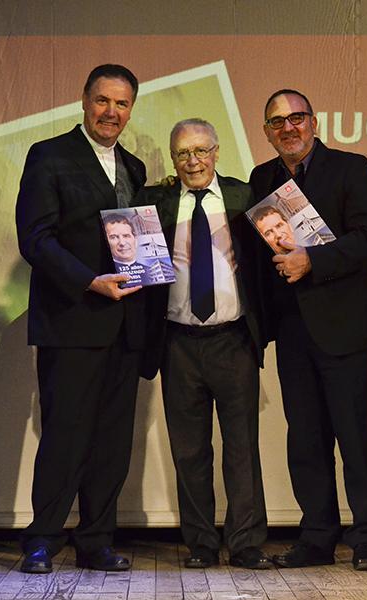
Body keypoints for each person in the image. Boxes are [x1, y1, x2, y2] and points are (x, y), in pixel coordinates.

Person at [249, 89, 367, 571]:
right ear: (267, 132)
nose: (288, 128)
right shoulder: (262, 179)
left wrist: (312, 260)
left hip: (347, 327)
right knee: (306, 441)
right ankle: (316, 539)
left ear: (314, 122)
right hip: (293, 329)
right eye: (277, 122)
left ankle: (366, 538)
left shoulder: (351, 168)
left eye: (297, 118)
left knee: (355, 439)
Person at [14, 64, 147, 574]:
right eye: (103, 101)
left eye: (122, 103)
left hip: (124, 327)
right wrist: (90, 281)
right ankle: (42, 540)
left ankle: (96, 541)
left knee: (112, 443)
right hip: (71, 321)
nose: (111, 112)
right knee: (65, 436)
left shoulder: (134, 167)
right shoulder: (49, 155)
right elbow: (36, 239)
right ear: (85, 101)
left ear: (131, 110)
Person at [136, 118, 271, 569]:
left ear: (216, 152)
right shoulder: (153, 203)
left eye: (200, 151)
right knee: (189, 450)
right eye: (182, 153)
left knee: (242, 446)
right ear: (172, 159)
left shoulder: (244, 196)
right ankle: (201, 543)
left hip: (233, 339)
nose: (192, 161)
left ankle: (246, 542)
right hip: (177, 342)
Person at [103, 213, 153, 286]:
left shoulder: (151, 272)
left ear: (135, 239)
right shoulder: (102, 277)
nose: (122, 243)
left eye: (126, 236)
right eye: (113, 237)